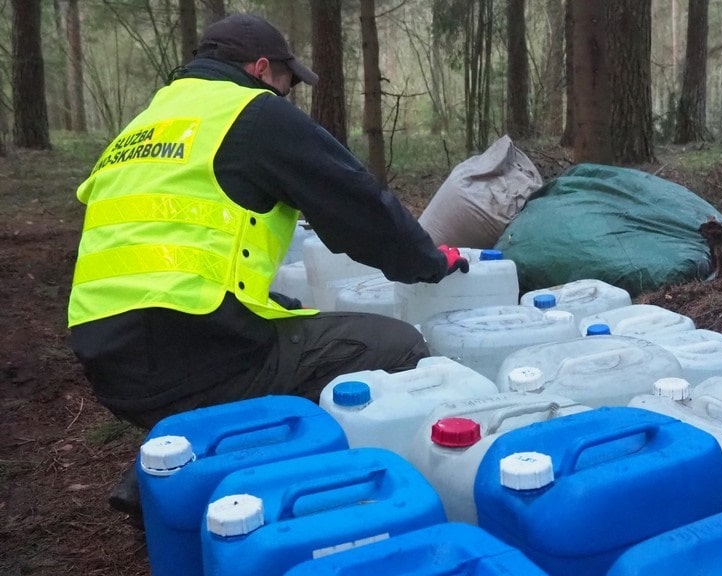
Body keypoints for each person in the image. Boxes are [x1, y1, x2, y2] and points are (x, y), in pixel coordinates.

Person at [66, 13, 467, 521]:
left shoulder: (145, 124)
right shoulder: (252, 113)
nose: (288, 96)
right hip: (192, 354)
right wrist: (429, 262)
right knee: (395, 344)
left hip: (108, 358)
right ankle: (324, 500)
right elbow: (359, 207)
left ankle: (171, 467)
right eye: (287, 83)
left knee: (288, 312)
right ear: (260, 69)